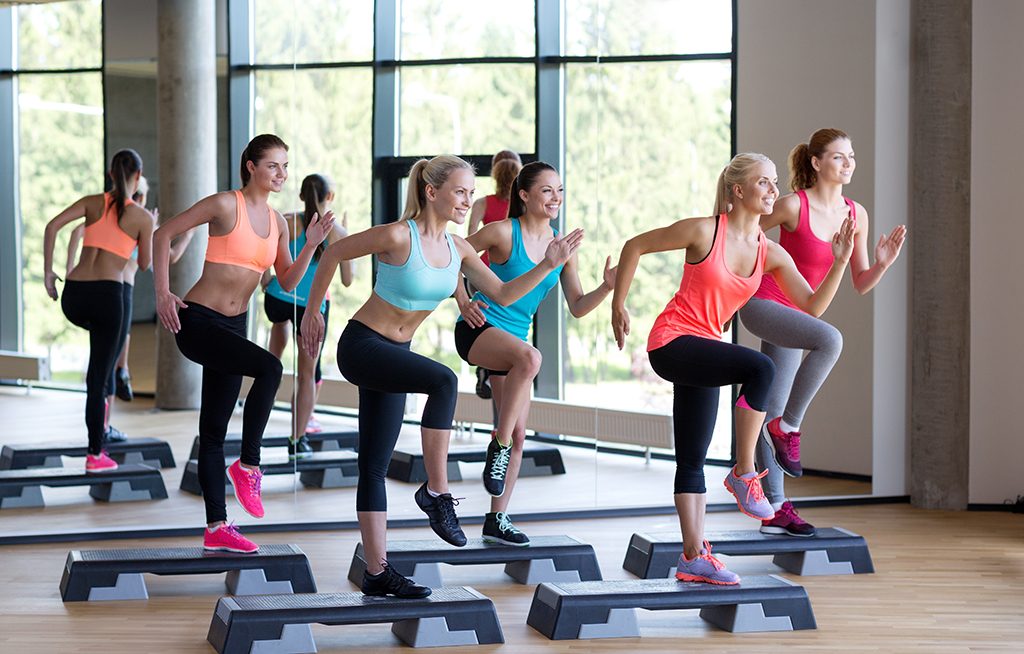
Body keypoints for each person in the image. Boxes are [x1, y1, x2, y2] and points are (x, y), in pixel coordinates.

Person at [299, 155, 582, 599]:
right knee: (444, 380)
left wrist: (548, 264)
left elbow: (505, 292)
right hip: (361, 344)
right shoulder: (398, 234)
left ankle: (377, 572)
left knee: (372, 465)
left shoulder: (459, 249)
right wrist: (312, 312)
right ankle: (437, 491)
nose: (469, 200)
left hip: (396, 352)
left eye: (472, 192)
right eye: (461, 192)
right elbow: (334, 251)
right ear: (432, 192)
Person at [611, 152, 854, 584]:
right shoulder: (705, 231)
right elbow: (636, 246)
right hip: (671, 342)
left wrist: (839, 261)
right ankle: (744, 471)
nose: (773, 191)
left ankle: (692, 557)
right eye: (764, 182)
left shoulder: (770, 252)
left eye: (775, 182)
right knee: (761, 368)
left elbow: (813, 306)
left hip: (702, 351)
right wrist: (618, 303)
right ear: (738, 190)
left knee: (691, 459)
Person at [153, 134, 334, 554]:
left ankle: (216, 526)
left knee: (213, 432)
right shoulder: (224, 204)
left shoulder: (277, 224)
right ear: (250, 166)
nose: (281, 174)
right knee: (271, 368)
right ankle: (249, 464)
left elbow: (287, 282)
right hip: (198, 320)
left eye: (285, 166)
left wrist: (309, 244)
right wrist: (163, 293)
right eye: (273, 165)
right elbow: (163, 234)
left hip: (233, 328)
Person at [738, 129, 907, 537]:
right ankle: (790, 429)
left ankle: (774, 509)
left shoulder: (856, 214)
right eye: (838, 157)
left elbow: (860, 281)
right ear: (816, 163)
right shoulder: (793, 205)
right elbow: (743, 235)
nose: (848, 163)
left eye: (851, 156)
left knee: (769, 410)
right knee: (830, 339)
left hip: (797, 315)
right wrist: (728, 290)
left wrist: (882, 263)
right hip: (764, 305)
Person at [455, 161, 615, 546]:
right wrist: (462, 298)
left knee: (522, 434)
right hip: (479, 329)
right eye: (547, 190)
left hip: (513, 344)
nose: (556, 198)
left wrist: (607, 287)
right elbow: (451, 253)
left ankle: (497, 518)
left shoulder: (560, 248)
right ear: (524, 195)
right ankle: (498, 443)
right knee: (531, 359)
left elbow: (576, 305)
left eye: (560, 190)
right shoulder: (501, 233)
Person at [42, 149, 154, 471]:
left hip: (74, 297)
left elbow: (52, 227)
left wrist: (50, 274)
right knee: (98, 379)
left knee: (99, 357)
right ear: (139, 174)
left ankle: (98, 440)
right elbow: (144, 265)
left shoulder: (93, 202)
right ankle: (95, 454)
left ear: (110, 173)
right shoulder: (141, 216)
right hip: (107, 297)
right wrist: (148, 229)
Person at [66, 177, 194, 407]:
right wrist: (188, 235)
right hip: (119, 295)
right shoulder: (143, 222)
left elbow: (76, 233)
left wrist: (71, 269)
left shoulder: (111, 219)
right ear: (141, 196)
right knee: (111, 361)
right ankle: (105, 421)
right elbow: (171, 256)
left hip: (104, 291)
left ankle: (106, 412)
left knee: (106, 359)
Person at [262, 173, 353, 457]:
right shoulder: (337, 232)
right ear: (331, 198)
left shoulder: (286, 220)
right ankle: (296, 439)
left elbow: (264, 254)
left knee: (271, 362)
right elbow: (348, 281)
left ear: (301, 196)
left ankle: (258, 420)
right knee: (305, 375)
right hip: (309, 307)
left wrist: (266, 278)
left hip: (276, 297)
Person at [467, 151, 523, 400]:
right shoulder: (521, 209)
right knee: (499, 324)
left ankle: (486, 366)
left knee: (486, 320)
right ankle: (488, 366)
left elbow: (468, 241)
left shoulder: (482, 204)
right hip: (509, 274)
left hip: (483, 273)